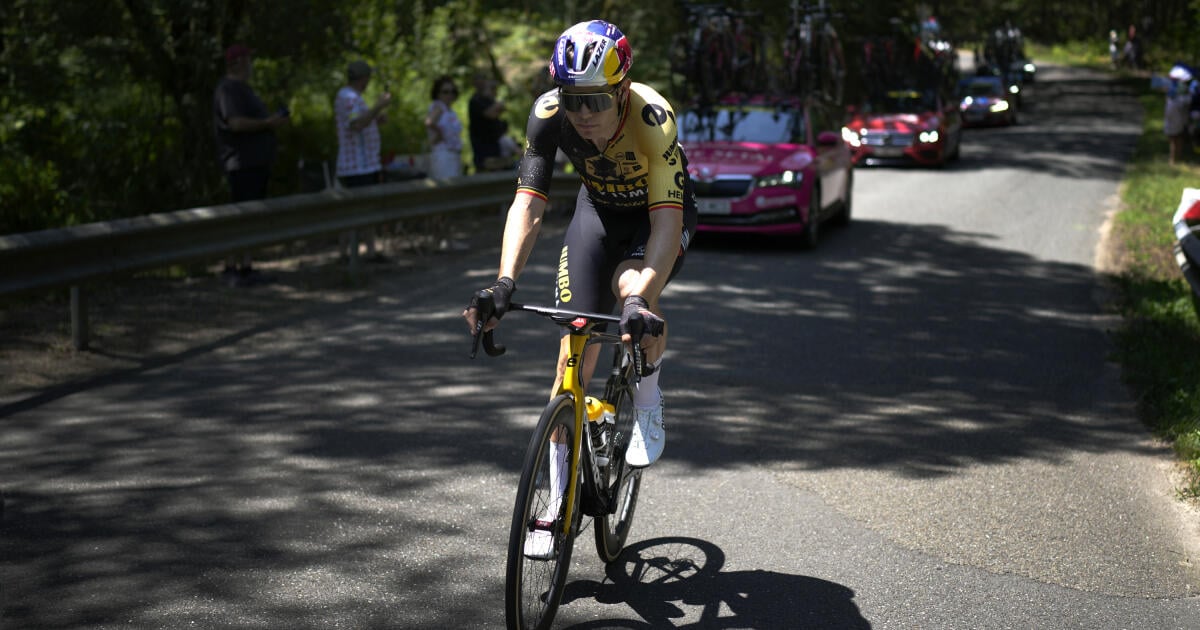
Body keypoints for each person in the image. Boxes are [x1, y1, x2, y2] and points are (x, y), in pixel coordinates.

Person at [461, 20, 697, 558]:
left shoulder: (652, 117)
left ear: (621, 90)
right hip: (598, 214)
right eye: (573, 100)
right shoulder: (549, 116)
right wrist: (503, 283)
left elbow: (664, 222)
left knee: (635, 290)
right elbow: (529, 204)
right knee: (575, 346)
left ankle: (648, 395)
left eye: (594, 100)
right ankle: (553, 503)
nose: (583, 115)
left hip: (655, 219)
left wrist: (638, 299)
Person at [212, 43, 289, 287]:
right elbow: (235, 123)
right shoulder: (228, 89)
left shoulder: (243, 89)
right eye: (248, 60)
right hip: (241, 163)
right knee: (239, 217)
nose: (251, 65)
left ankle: (246, 267)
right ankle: (230, 267)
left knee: (251, 217)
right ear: (239, 62)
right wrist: (267, 123)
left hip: (256, 163)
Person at [335, 60, 393, 262]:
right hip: (356, 168)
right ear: (363, 78)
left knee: (366, 212)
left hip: (365, 165)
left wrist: (376, 118)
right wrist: (378, 106)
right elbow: (357, 124)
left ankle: (369, 251)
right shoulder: (348, 97)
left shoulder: (354, 97)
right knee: (354, 213)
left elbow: (360, 120)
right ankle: (345, 254)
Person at [468, 72, 509, 172]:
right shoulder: (475, 100)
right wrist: (498, 104)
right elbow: (489, 114)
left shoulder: (488, 100)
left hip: (494, 144)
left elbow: (500, 111)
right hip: (482, 147)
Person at [425, 76, 464, 179]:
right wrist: (439, 134)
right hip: (443, 156)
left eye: (452, 91)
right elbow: (429, 122)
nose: (449, 95)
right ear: (437, 93)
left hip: (453, 155)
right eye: (445, 92)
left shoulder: (449, 110)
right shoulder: (439, 107)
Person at [1163, 63, 1195, 165]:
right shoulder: (1184, 87)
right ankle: (1177, 157)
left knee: (1174, 137)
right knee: (1177, 136)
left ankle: (1173, 159)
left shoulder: (1177, 87)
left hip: (1174, 110)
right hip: (1177, 111)